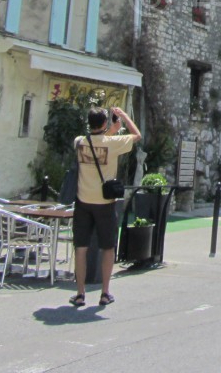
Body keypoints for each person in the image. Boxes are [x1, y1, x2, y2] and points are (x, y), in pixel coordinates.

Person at [69, 105, 141, 307]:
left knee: (81, 248)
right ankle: (105, 292)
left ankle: (80, 293)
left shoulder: (80, 142)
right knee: (107, 247)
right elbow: (137, 135)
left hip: (83, 202)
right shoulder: (113, 144)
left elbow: (96, 146)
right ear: (104, 123)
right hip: (105, 203)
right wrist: (124, 117)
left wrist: (110, 131)